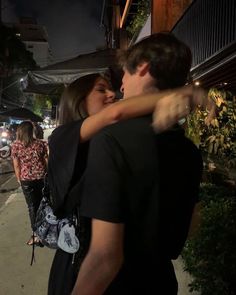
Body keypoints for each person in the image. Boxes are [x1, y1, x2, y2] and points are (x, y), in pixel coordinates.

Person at [71, 32, 203, 295]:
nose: (121, 86)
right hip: (162, 282)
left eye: (125, 75)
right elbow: (191, 227)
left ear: (142, 67)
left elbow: (105, 258)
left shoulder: (111, 139)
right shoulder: (189, 150)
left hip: (119, 286)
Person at [11, 121, 48, 245]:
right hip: (41, 177)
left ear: (20, 131)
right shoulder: (40, 143)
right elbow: (45, 161)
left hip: (26, 180)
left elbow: (16, 165)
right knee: (43, 205)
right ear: (32, 130)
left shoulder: (15, 145)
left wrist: (18, 179)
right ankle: (45, 231)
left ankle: (36, 235)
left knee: (32, 207)